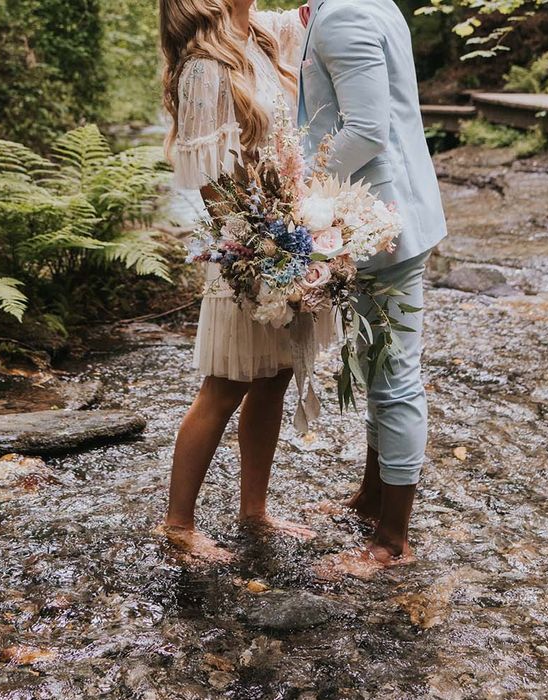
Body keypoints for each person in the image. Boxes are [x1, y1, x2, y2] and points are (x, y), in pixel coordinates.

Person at [158, 0, 326, 561]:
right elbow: (209, 181)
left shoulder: (256, 32)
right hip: (246, 247)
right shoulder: (205, 65)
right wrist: (254, 249)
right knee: (225, 384)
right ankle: (179, 524)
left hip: (285, 232)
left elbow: (310, 16)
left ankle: (254, 510)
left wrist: (295, 232)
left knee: (274, 375)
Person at [298, 0, 447, 573]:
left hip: (383, 221)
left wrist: (296, 182)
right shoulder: (369, 3)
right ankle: (369, 497)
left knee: (395, 376)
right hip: (377, 216)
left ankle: (392, 539)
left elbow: (367, 128)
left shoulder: (345, 17)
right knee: (374, 361)